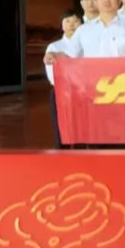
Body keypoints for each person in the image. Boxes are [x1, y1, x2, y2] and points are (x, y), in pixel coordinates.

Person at [48, 0, 125, 59]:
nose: (106, 0)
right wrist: (54, 55)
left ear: (119, 1)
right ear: (96, 2)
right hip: (90, 77)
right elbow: (68, 55)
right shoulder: (83, 30)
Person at [43, 9, 81, 148]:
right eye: (67, 21)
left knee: (80, 127)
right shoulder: (54, 46)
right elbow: (51, 73)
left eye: (75, 21)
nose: (71, 24)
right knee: (61, 127)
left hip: (82, 92)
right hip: (61, 91)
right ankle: (62, 153)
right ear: (62, 25)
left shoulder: (85, 43)